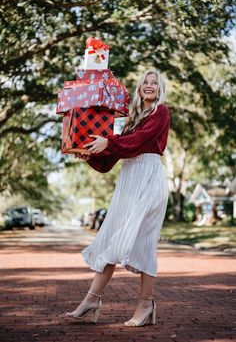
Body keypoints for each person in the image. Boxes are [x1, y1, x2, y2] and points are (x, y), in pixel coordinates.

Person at [65, 69, 170, 327]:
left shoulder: (161, 112)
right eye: (145, 82)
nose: (149, 85)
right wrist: (89, 153)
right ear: (138, 88)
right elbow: (112, 157)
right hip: (129, 179)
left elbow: (136, 142)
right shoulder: (133, 118)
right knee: (113, 237)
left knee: (143, 241)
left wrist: (109, 143)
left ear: (160, 89)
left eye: (154, 83)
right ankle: (92, 299)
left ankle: (145, 304)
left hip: (149, 178)